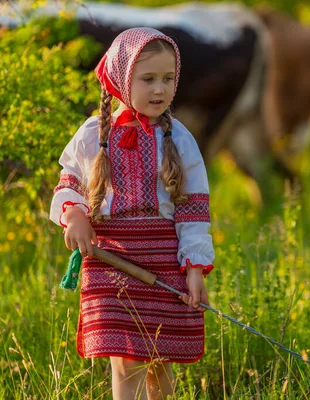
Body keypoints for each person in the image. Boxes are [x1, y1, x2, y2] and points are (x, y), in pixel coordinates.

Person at [49, 27, 215, 399]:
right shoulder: (94, 134)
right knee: (126, 358)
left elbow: (193, 209)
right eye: (149, 79)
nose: (160, 89)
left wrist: (193, 269)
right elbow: (69, 182)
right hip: (111, 259)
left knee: (160, 357)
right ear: (124, 79)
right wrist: (74, 214)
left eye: (168, 79)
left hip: (162, 259)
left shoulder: (180, 139)